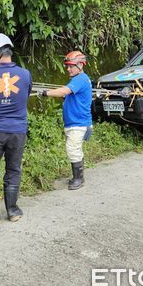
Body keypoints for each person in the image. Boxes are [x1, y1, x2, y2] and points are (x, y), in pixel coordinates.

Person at [0, 33, 32, 224]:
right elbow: (24, 95)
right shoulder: (25, 74)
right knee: (13, 169)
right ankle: (12, 210)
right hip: (18, 130)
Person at [39, 51, 93, 190]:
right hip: (75, 122)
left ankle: (78, 179)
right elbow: (68, 95)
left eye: (71, 66)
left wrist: (46, 93)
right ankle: (78, 176)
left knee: (72, 148)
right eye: (67, 66)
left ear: (80, 65)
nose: (68, 69)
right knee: (75, 148)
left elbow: (63, 91)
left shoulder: (80, 79)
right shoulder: (78, 79)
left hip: (79, 123)